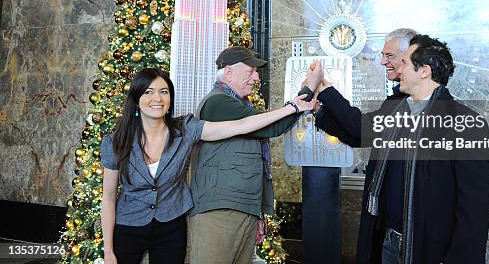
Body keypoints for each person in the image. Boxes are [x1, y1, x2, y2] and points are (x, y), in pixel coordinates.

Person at [100, 67, 314, 264]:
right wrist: (108, 251)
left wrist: (292, 107)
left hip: (170, 226)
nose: (157, 98)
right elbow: (109, 197)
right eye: (148, 92)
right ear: (136, 99)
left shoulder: (185, 129)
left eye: (164, 91)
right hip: (129, 225)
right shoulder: (115, 142)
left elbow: (241, 125)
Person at [311, 35, 489, 264]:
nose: (399, 68)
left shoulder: (464, 123)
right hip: (387, 241)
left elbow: (475, 207)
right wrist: (320, 107)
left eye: (404, 62)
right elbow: (360, 130)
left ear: (424, 71)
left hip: (430, 251)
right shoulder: (396, 110)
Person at [189, 46, 318, 264]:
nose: (256, 77)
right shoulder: (219, 103)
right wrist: (309, 87)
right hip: (219, 213)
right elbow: (273, 126)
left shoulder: (236, 102)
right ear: (228, 72)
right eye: (250, 71)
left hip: (241, 209)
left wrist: (256, 213)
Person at [310, 27, 417, 148]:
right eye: (383, 55)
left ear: (410, 58)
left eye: (390, 56)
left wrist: (326, 91)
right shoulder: (403, 96)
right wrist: (318, 110)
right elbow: (358, 138)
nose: (382, 62)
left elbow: (360, 128)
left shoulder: (416, 98)